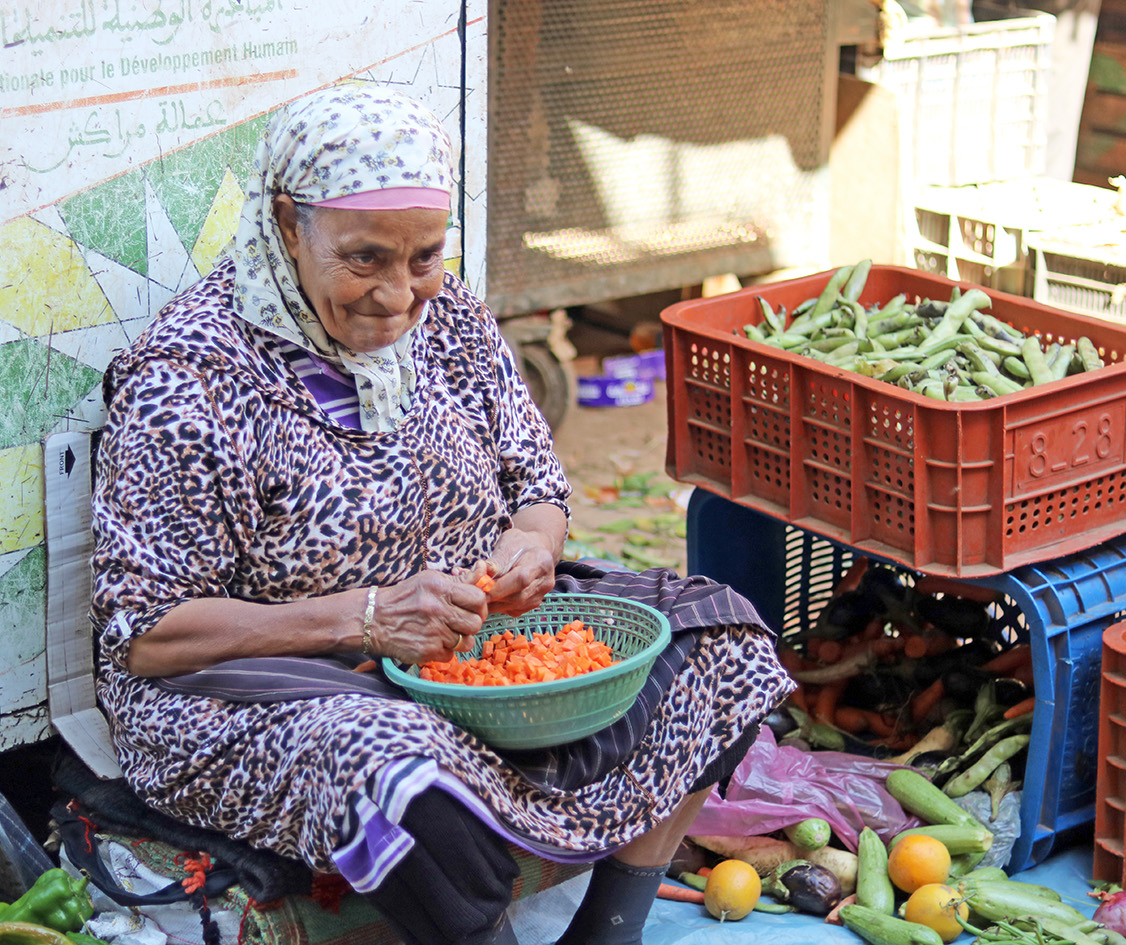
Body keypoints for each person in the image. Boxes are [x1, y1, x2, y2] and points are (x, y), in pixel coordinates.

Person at [91, 82, 794, 945]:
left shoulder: (450, 319)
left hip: (465, 649)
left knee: (717, 639)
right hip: (270, 687)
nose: (398, 294)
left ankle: (609, 932)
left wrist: (530, 546)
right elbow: (149, 633)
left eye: (422, 255)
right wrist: (367, 617)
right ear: (285, 225)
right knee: (397, 774)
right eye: (364, 259)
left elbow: (537, 486)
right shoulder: (187, 379)